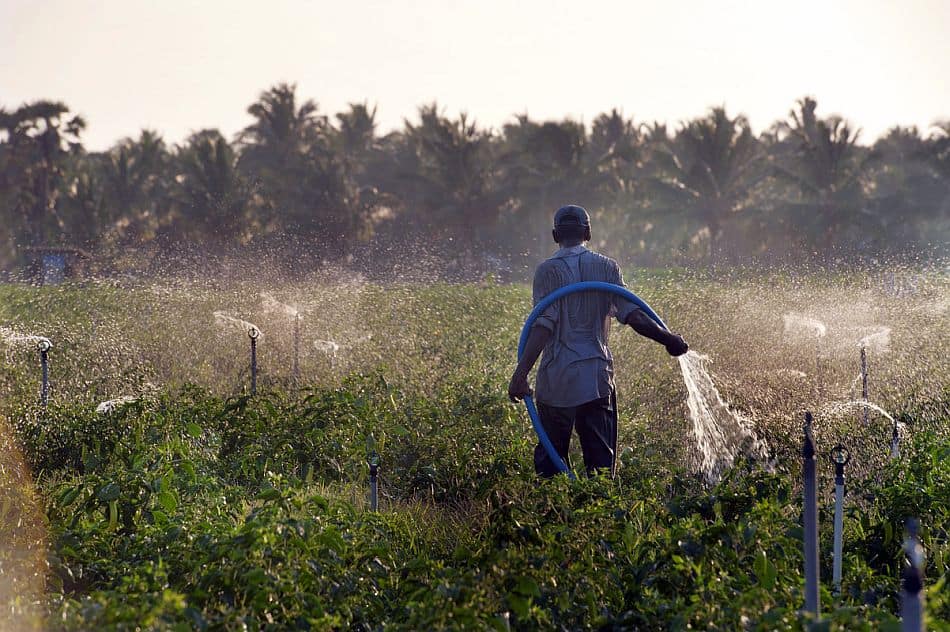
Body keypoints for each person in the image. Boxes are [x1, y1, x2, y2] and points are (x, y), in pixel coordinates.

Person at [508, 205, 689, 477]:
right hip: (596, 377)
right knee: (601, 464)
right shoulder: (606, 267)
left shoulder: (547, 271)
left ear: (555, 234)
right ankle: (600, 513)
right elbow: (635, 316)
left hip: (558, 379)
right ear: (588, 232)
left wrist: (520, 374)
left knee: (551, 463)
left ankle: (556, 514)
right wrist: (668, 339)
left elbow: (543, 326)